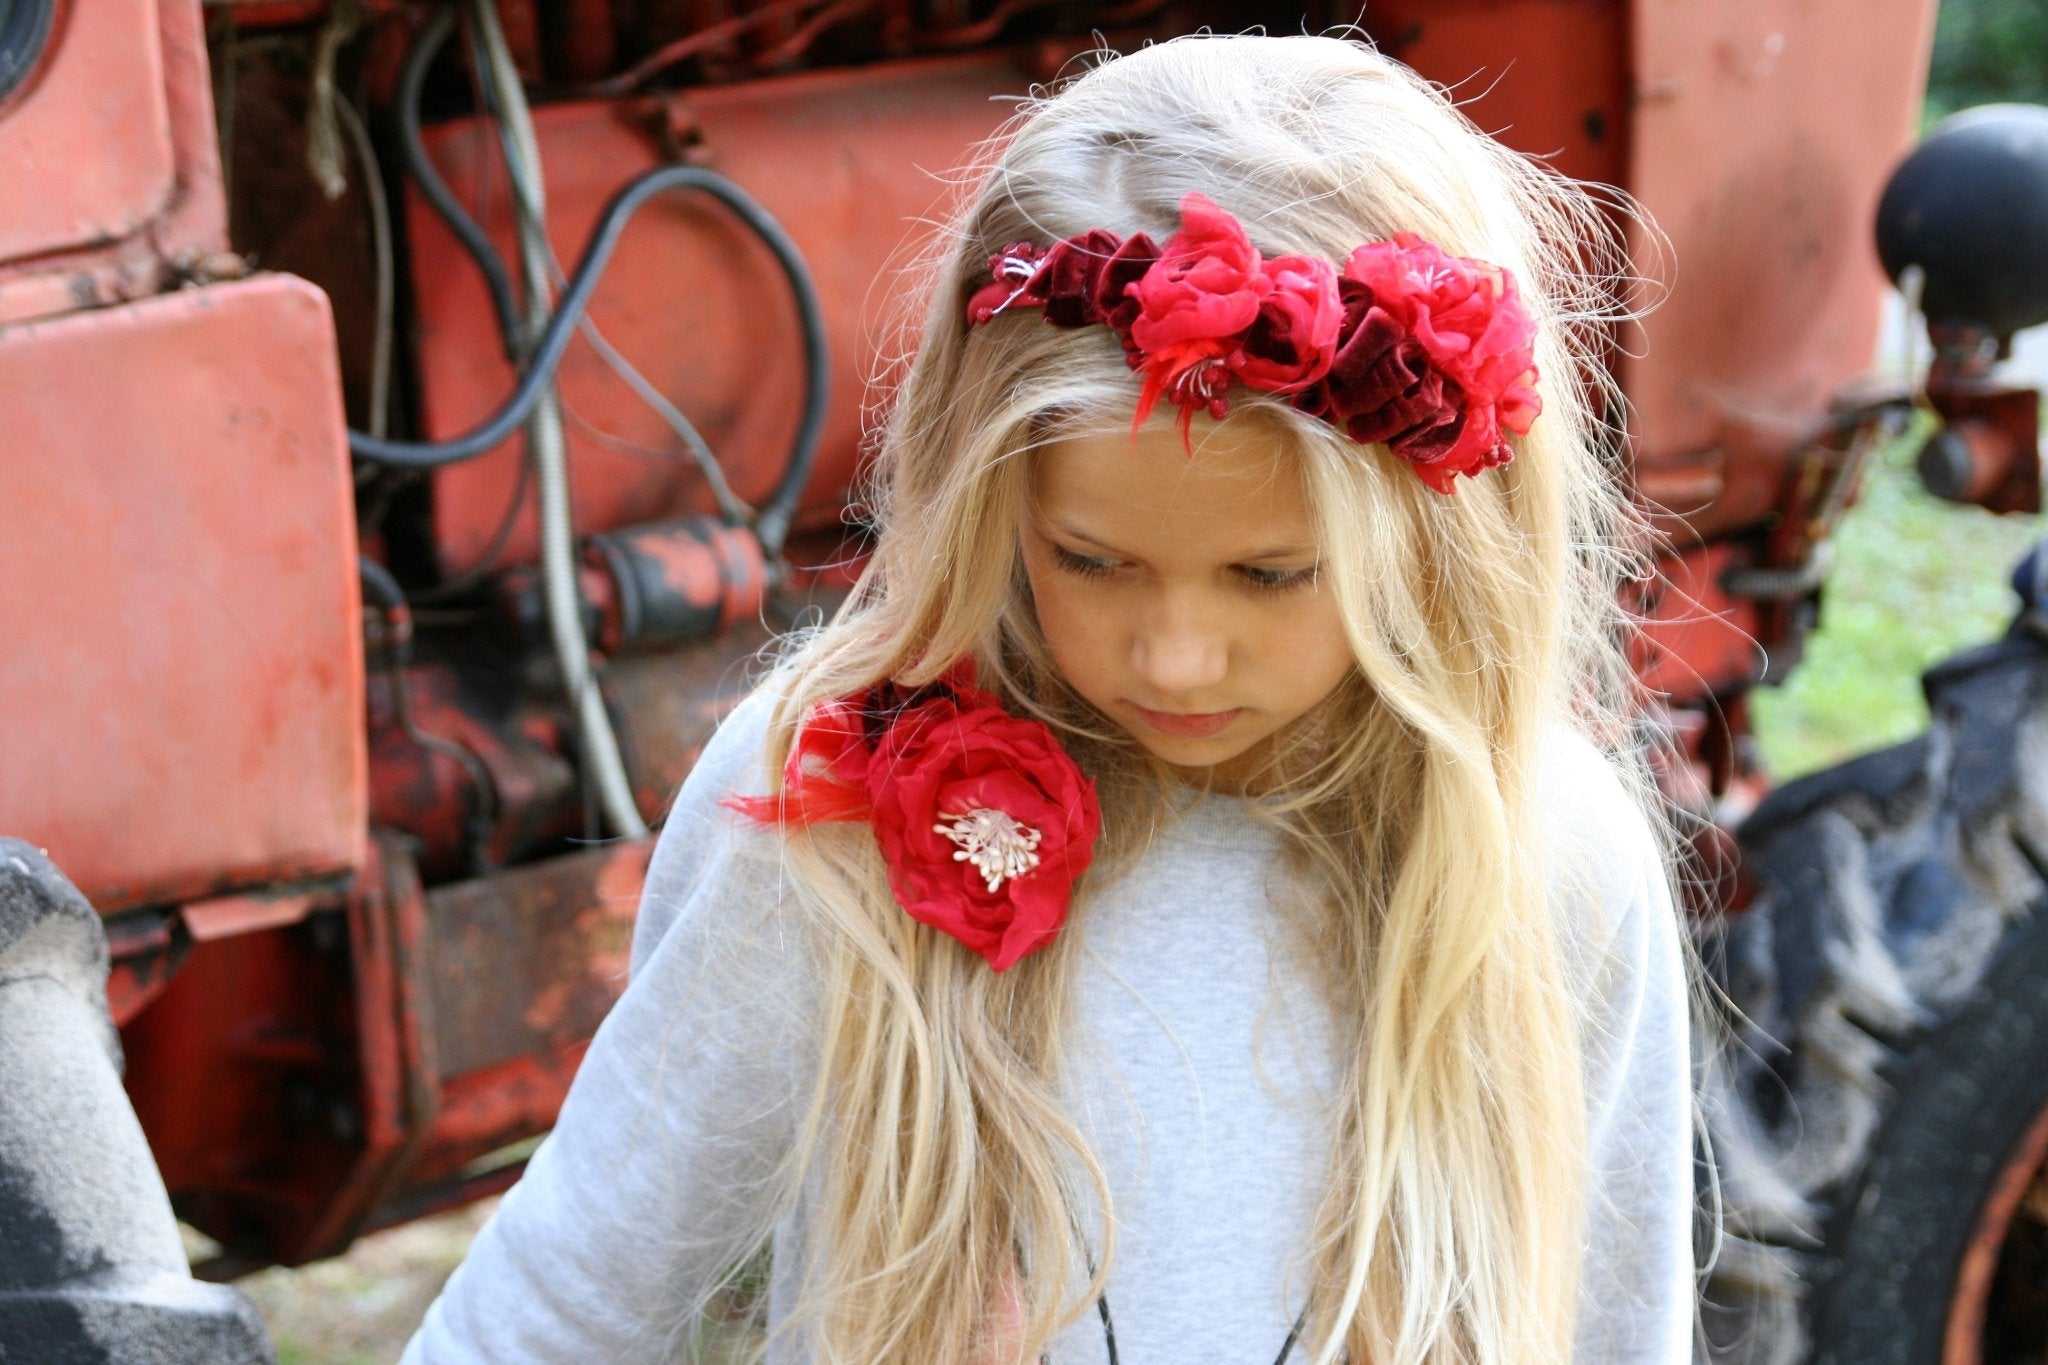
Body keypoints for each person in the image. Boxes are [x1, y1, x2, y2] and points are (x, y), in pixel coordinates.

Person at [404, 32, 1696, 1365]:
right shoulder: (839, 808)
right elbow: (556, 1305)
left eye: (1270, 574)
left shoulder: (1553, 862)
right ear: (986, 499)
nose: (1177, 656)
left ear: (1447, 537)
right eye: (1093, 561)